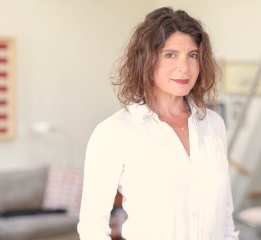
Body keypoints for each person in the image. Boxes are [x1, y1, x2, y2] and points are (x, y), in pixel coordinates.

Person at [77, 7, 239, 240]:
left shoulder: (213, 125)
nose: (184, 67)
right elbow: (92, 229)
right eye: (170, 54)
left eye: (192, 55)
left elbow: (224, 216)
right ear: (147, 60)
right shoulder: (114, 132)